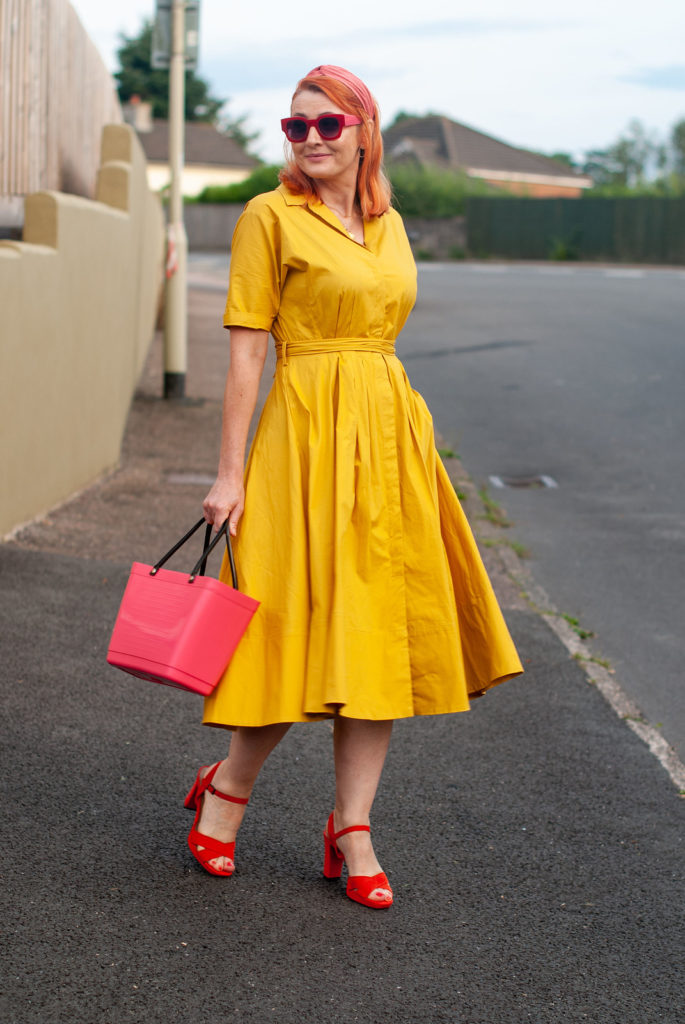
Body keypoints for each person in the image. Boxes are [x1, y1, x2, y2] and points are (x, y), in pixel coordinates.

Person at [189, 65, 523, 909]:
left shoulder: (391, 224)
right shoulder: (269, 217)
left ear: (362, 130)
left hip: (387, 439)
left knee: (371, 637)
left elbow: (385, 334)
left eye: (326, 126)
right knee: (282, 626)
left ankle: (353, 825)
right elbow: (244, 353)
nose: (308, 141)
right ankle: (227, 789)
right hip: (302, 435)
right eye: (294, 128)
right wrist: (228, 474)